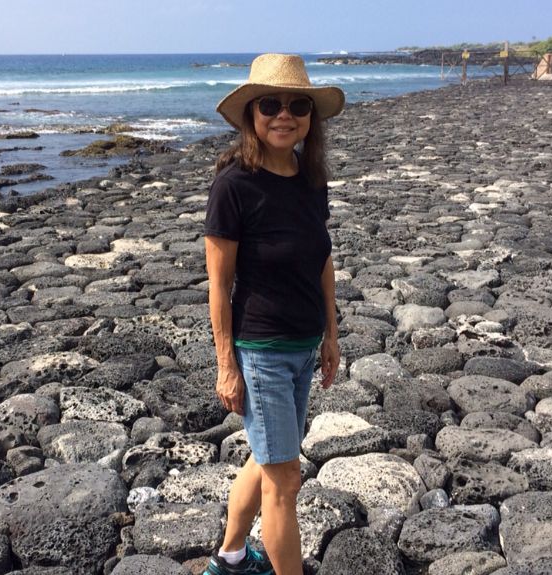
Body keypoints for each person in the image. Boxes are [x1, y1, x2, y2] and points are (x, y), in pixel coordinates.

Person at [203, 54, 343, 575]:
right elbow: (219, 285)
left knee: (267, 461)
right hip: (261, 352)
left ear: (311, 116)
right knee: (285, 479)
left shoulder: (311, 182)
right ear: (251, 115)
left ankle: (232, 557)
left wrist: (330, 335)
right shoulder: (233, 186)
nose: (284, 116)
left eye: (298, 105)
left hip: (304, 346)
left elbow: (323, 262)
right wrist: (226, 364)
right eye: (270, 105)